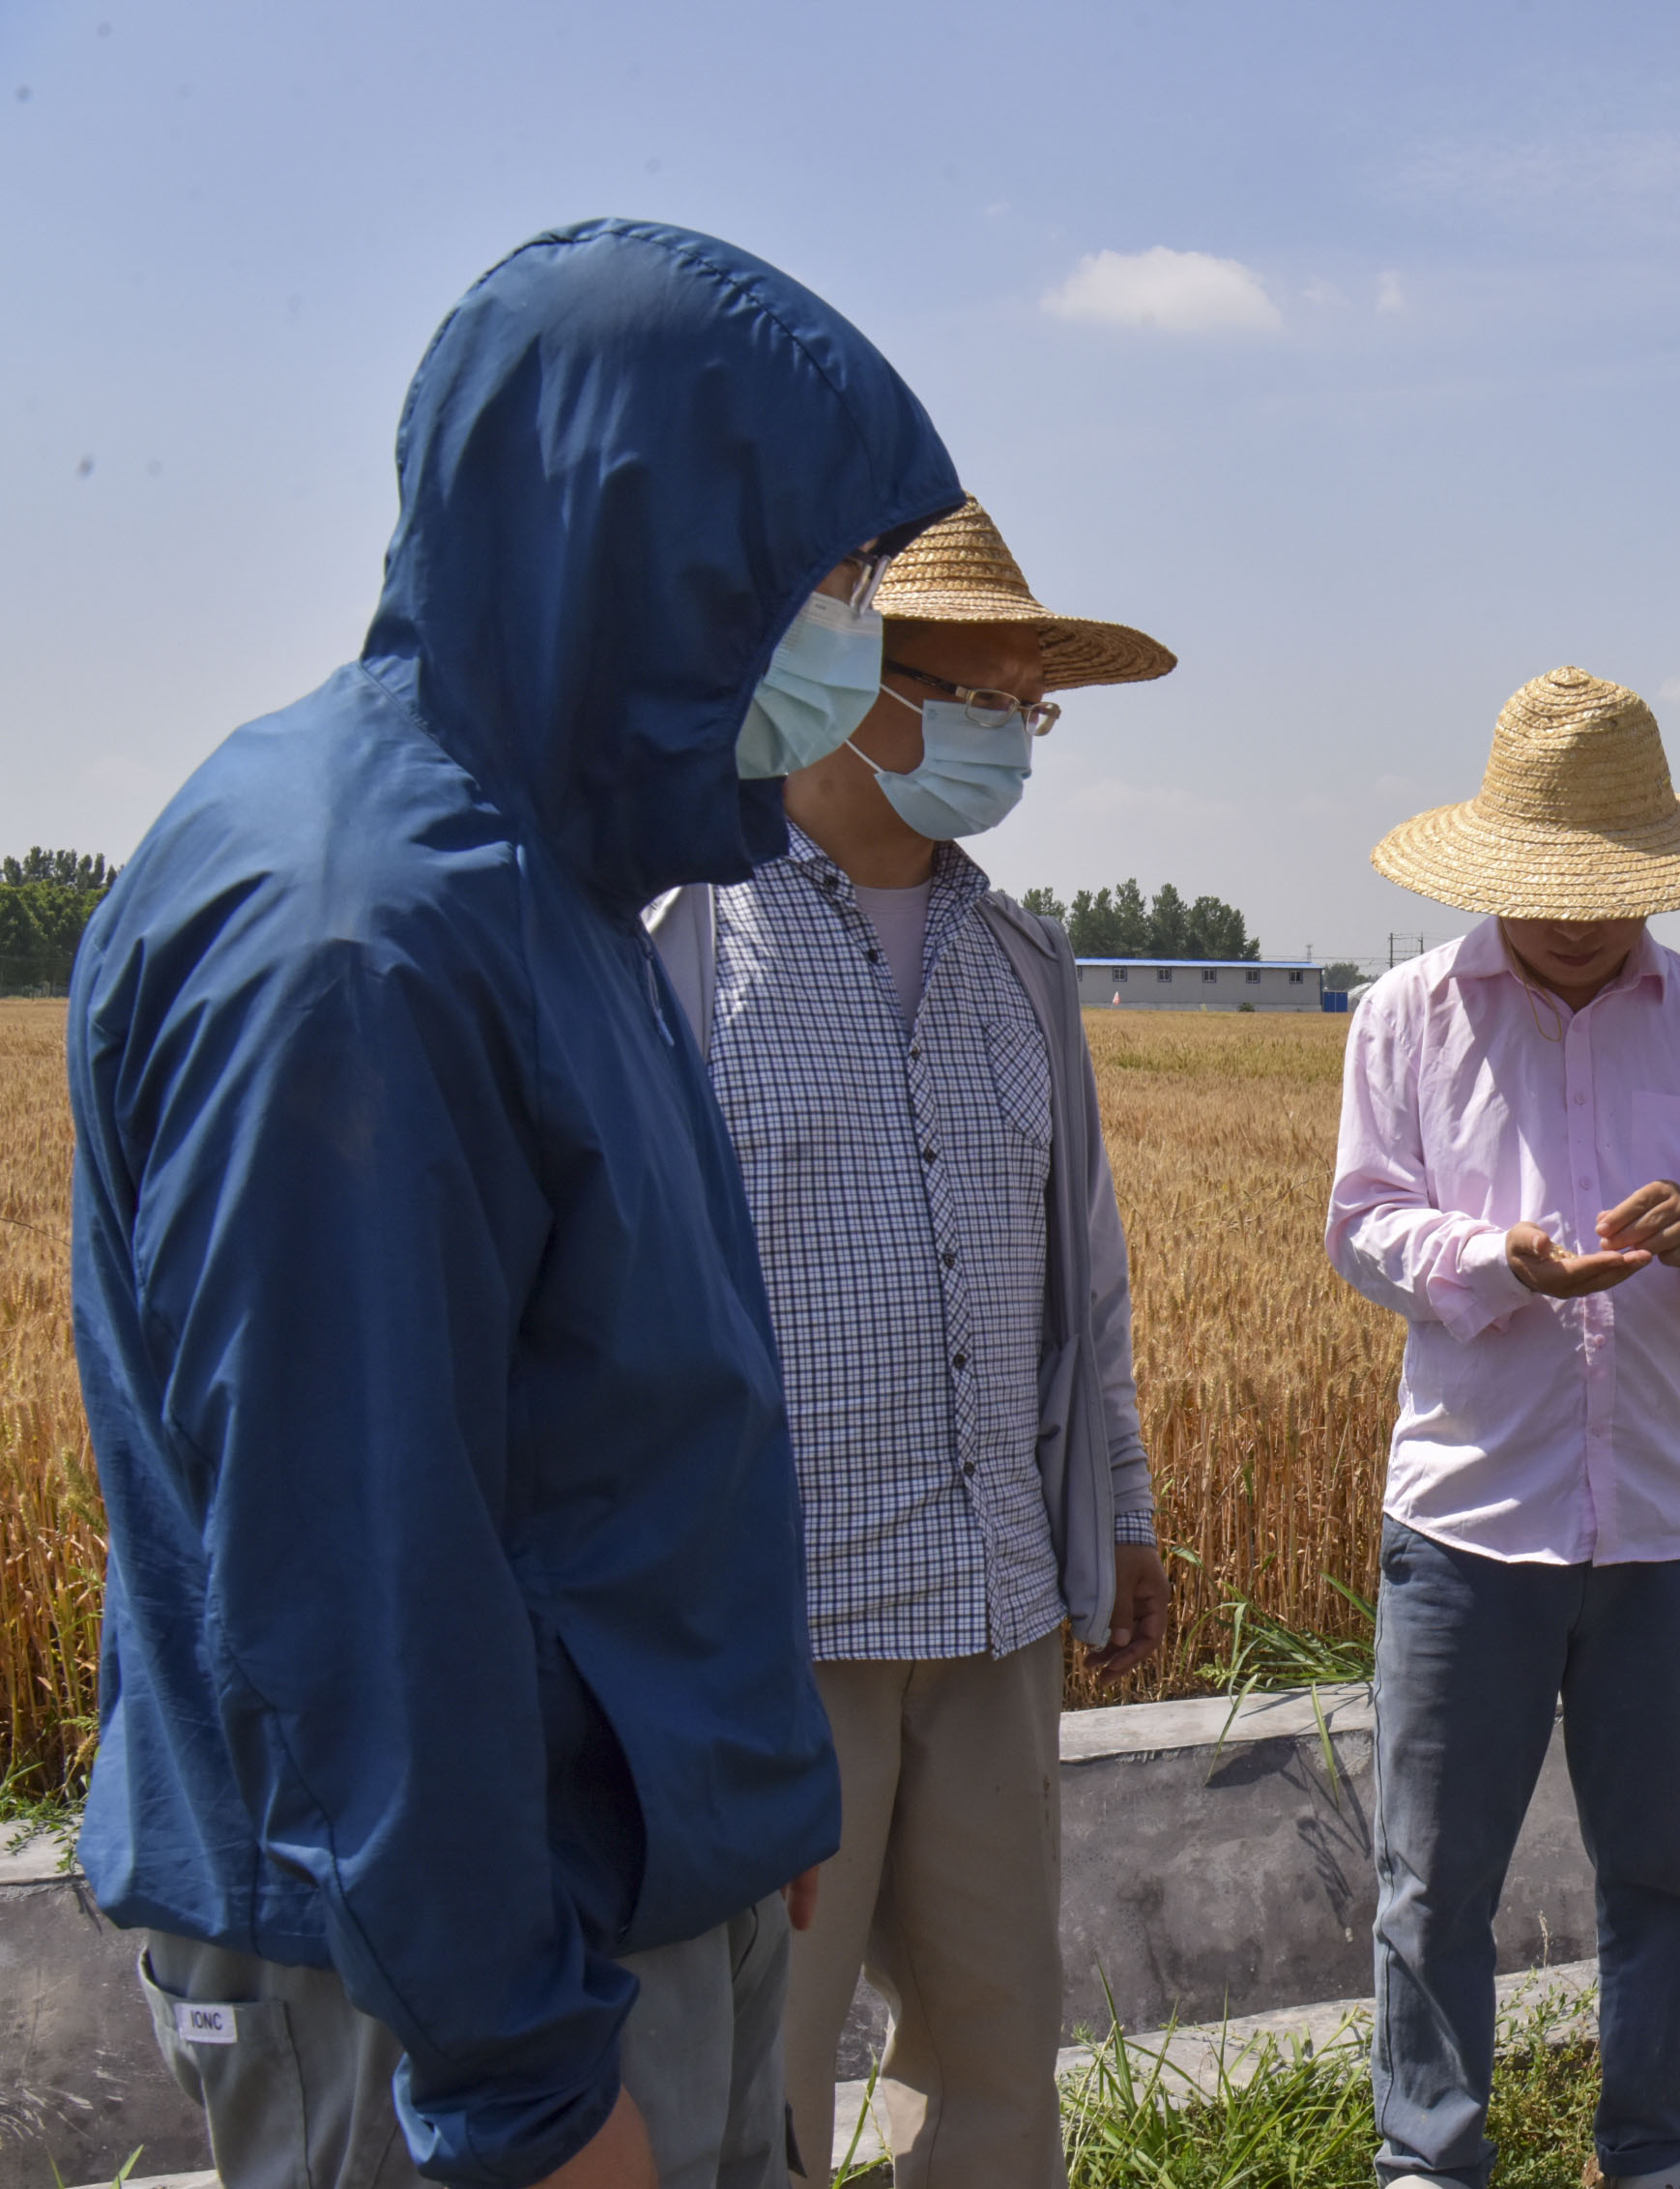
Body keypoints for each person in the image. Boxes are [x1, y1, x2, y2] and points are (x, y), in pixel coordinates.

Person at [66, 221, 964, 2189]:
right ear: (649, 553)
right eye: (819, 581)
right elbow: (357, 1583)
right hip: (442, 1985)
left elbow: (627, 1414)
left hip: (619, 1891)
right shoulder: (355, 942)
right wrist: (519, 2090)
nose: (848, 638)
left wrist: (746, 1787)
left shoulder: (542, 884)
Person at [643, 497, 1178, 2185]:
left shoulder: (1024, 964)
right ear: (845, 684)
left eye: (1028, 710)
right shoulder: (680, 943)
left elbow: (1075, 1270)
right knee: (763, 2076)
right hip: (777, 1625)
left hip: (998, 1598)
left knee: (1001, 2051)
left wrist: (1125, 1508)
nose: (1007, 740)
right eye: (975, 695)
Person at [1327, 668, 1680, 2189]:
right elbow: (1362, 1228)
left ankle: (1652, 2153)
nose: (1576, 917)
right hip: (1470, 1520)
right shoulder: (1404, 1018)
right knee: (1430, 1877)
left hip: (1665, 1526)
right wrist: (1499, 1263)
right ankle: (1428, 2158)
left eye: (1609, 889)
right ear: (1492, 872)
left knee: (1661, 1870)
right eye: (1550, 888)